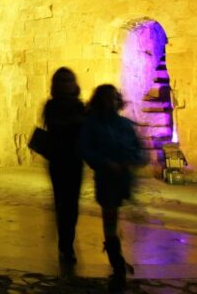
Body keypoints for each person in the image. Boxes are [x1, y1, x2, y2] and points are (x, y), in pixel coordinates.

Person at [79, 84, 144, 293]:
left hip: (123, 179)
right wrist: (106, 163)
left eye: (114, 98)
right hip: (106, 180)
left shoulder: (124, 124)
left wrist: (132, 160)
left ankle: (117, 261)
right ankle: (117, 263)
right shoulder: (92, 124)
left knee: (113, 217)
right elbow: (86, 150)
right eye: (108, 98)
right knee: (110, 219)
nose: (112, 102)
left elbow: (138, 149)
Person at [43, 67, 85, 265]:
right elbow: (56, 125)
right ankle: (65, 244)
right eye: (63, 81)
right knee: (63, 203)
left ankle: (67, 241)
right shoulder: (52, 105)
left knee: (72, 204)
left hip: (75, 160)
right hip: (59, 160)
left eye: (69, 80)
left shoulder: (79, 105)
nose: (66, 84)